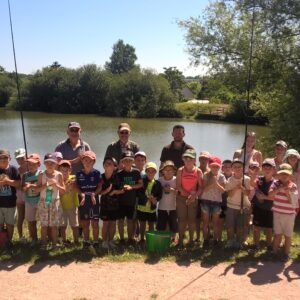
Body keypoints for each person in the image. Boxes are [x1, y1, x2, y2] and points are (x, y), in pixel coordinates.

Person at [269, 163, 299, 261]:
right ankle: (274, 252)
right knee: (277, 234)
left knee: (288, 235)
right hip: (277, 213)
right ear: (279, 174)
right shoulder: (275, 183)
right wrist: (279, 189)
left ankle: (286, 253)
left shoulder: (293, 186)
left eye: (286, 174)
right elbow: (270, 195)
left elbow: (293, 203)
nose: (284, 176)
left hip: (289, 215)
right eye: (282, 174)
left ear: (290, 175)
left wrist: (287, 192)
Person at [36, 153, 65, 250]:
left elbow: (63, 191)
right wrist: (46, 185)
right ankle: (43, 244)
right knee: (44, 225)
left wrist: (56, 185)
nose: (49, 165)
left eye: (52, 163)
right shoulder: (41, 174)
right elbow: (36, 190)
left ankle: (54, 244)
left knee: (54, 226)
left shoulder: (59, 175)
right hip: (44, 202)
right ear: (44, 163)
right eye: (47, 163)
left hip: (54, 202)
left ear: (56, 164)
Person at [75, 151, 102, 249]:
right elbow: (76, 186)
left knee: (95, 222)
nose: (87, 162)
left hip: (94, 199)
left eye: (90, 161)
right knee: (85, 222)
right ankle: (86, 241)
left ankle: (95, 241)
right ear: (82, 161)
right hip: (83, 200)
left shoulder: (97, 173)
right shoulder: (78, 173)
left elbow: (99, 186)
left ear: (94, 162)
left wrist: (95, 193)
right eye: (85, 160)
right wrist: (81, 194)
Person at [176, 149, 202, 246]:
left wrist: (194, 196)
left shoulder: (198, 171)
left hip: (193, 199)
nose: (188, 160)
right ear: (183, 159)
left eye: (190, 158)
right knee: (182, 220)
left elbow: (201, 188)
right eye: (186, 158)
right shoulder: (180, 170)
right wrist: (187, 195)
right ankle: (181, 241)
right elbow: (178, 186)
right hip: (181, 198)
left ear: (195, 160)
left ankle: (191, 241)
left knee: (192, 221)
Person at [116, 151, 143, 244]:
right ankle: (121, 239)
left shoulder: (136, 172)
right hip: (121, 201)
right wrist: (121, 188)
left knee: (130, 221)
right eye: (125, 160)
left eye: (130, 160)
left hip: (132, 201)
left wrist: (131, 187)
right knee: (120, 220)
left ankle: (130, 238)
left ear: (133, 162)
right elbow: (117, 186)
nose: (127, 162)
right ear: (122, 162)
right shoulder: (119, 174)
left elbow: (141, 184)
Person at [200, 156, 226, 249]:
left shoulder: (222, 176)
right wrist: (212, 184)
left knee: (215, 223)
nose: (215, 168)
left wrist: (216, 184)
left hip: (217, 202)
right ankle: (206, 241)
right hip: (206, 201)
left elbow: (223, 190)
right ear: (210, 166)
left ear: (219, 167)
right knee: (206, 223)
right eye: (213, 166)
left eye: (217, 166)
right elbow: (204, 190)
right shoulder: (206, 175)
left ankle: (215, 240)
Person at [225, 159, 251, 248]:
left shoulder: (247, 179)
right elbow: (229, 194)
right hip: (231, 205)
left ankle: (242, 241)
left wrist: (242, 188)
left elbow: (248, 193)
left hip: (244, 206)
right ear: (232, 168)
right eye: (235, 167)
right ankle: (230, 240)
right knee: (230, 225)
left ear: (243, 168)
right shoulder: (229, 180)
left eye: (239, 167)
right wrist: (236, 187)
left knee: (243, 225)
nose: (237, 169)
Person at [250, 158, 275, 251]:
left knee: (269, 228)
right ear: (262, 169)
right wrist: (253, 175)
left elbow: (275, 197)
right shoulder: (259, 179)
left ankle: (269, 245)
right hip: (258, 207)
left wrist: (264, 197)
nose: (267, 169)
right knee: (256, 227)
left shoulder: (275, 182)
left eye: (269, 167)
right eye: (265, 167)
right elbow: (252, 184)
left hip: (270, 209)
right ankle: (256, 245)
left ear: (273, 169)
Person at [100, 157, 124, 249]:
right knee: (105, 223)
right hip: (104, 205)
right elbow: (98, 192)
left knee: (113, 223)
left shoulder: (117, 178)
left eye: (110, 163)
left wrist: (114, 192)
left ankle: (111, 240)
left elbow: (122, 190)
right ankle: (104, 241)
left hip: (114, 205)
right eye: (106, 163)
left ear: (115, 167)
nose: (107, 164)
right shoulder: (101, 177)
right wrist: (106, 191)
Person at [137, 162, 162, 242]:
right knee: (142, 224)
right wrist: (147, 198)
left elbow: (160, 195)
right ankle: (141, 238)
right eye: (148, 171)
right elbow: (139, 193)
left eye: (153, 171)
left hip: (152, 208)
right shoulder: (142, 181)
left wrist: (155, 199)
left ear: (155, 172)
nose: (150, 173)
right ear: (146, 171)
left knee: (151, 224)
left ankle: (151, 239)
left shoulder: (158, 183)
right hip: (142, 207)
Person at [0, 149, 21, 248]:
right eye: (1, 157)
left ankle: (9, 242)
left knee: (10, 224)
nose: (3, 159)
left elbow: (18, 184)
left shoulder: (13, 169)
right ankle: (1, 242)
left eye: (5, 157)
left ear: (10, 158)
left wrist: (8, 181)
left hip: (10, 203)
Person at [58, 160, 79, 245]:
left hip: (72, 206)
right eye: (62, 170)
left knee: (75, 225)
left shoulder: (74, 178)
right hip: (61, 206)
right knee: (63, 226)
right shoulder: (58, 180)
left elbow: (79, 186)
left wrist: (75, 183)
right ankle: (64, 240)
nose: (65, 172)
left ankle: (76, 241)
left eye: (67, 170)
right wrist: (66, 187)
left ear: (70, 170)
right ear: (59, 170)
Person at [22, 153, 42, 244]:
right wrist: (24, 188)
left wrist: (31, 185)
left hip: (40, 201)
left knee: (43, 222)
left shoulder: (41, 174)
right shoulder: (25, 175)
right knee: (31, 222)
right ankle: (33, 239)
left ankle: (45, 239)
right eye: (29, 164)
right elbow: (22, 187)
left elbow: (43, 186)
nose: (31, 166)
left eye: (34, 164)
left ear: (39, 164)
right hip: (29, 201)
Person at [157, 161, 178, 242]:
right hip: (162, 206)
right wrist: (162, 189)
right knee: (161, 224)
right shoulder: (159, 180)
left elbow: (179, 192)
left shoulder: (176, 179)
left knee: (173, 224)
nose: (168, 172)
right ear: (162, 172)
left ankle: (173, 238)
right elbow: (156, 191)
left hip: (173, 206)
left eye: (170, 170)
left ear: (174, 171)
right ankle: (162, 238)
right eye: (166, 170)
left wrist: (172, 190)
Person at [14, 148, 27, 242]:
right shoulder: (16, 171)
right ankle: (21, 236)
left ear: (26, 156)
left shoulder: (32, 167)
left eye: (22, 158)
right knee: (21, 217)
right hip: (20, 196)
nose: (20, 160)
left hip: (31, 196)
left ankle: (33, 236)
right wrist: (21, 187)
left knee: (32, 218)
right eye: (18, 159)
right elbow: (15, 185)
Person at [283, 149, 300, 213]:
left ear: (297, 158)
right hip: (287, 196)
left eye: (294, 156)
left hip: (298, 196)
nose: (293, 158)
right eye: (290, 156)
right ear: (287, 158)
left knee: (294, 214)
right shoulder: (283, 168)